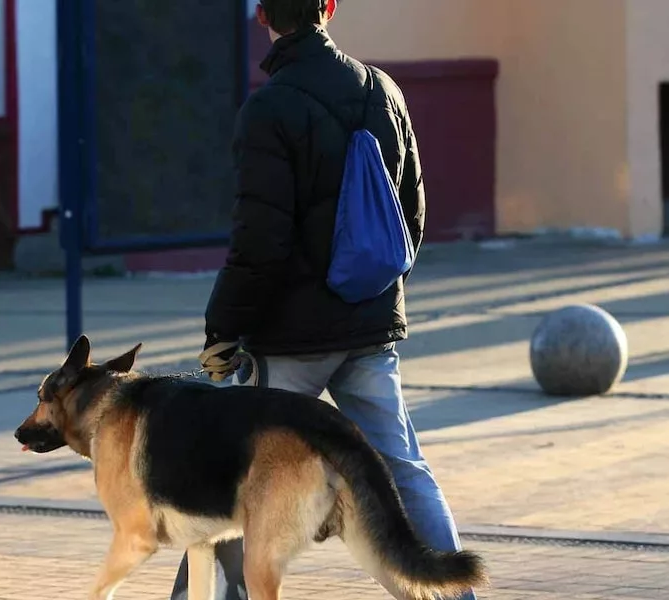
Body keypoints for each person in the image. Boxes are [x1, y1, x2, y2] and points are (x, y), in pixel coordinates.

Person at [171, 1, 477, 599]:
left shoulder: (269, 109)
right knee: (400, 471)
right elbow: (411, 215)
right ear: (329, 8)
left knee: (236, 477)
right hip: (368, 329)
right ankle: (453, 596)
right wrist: (372, 292)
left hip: (289, 342)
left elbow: (260, 240)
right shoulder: (384, 91)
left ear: (263, 16)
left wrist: (223, 329)